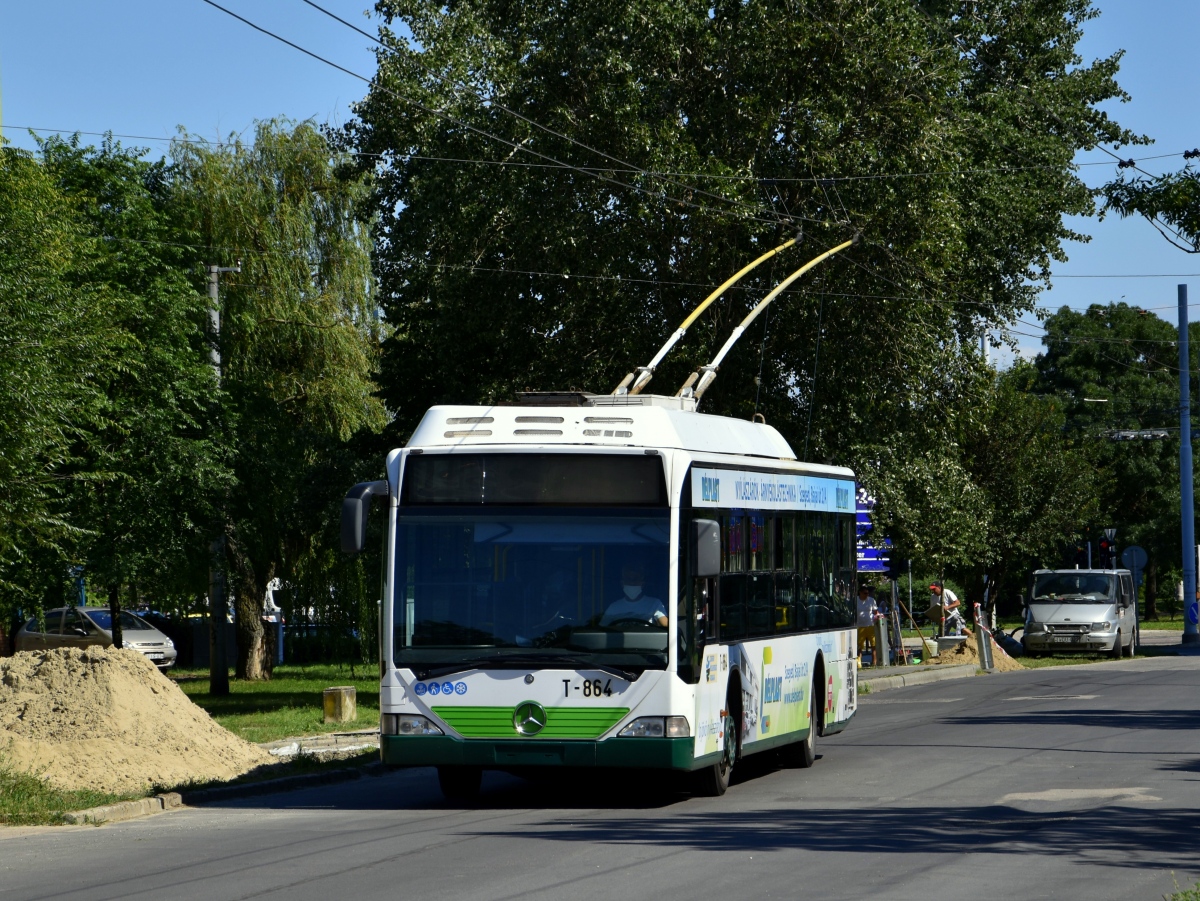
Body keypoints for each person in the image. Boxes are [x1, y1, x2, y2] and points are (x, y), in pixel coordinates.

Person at [600, 564, 667, 627]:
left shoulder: (655, 604)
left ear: (642, 583)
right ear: (622, 583)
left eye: (635, 579)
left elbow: (666, 625)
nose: (632, 583)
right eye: (628, 579)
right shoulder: (614, 607)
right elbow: (600, 630)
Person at [856, 584, 879, 662]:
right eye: (865, 593)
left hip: (870, 625)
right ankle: (859, 662)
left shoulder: (871, 600)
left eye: (868, 593)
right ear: (860, 592)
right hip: (859, 626)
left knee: (873, 645)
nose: (867, 595)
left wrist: (877, 617)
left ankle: (874, 662)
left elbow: (875, 612)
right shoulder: (856, 600)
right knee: (859, 646)